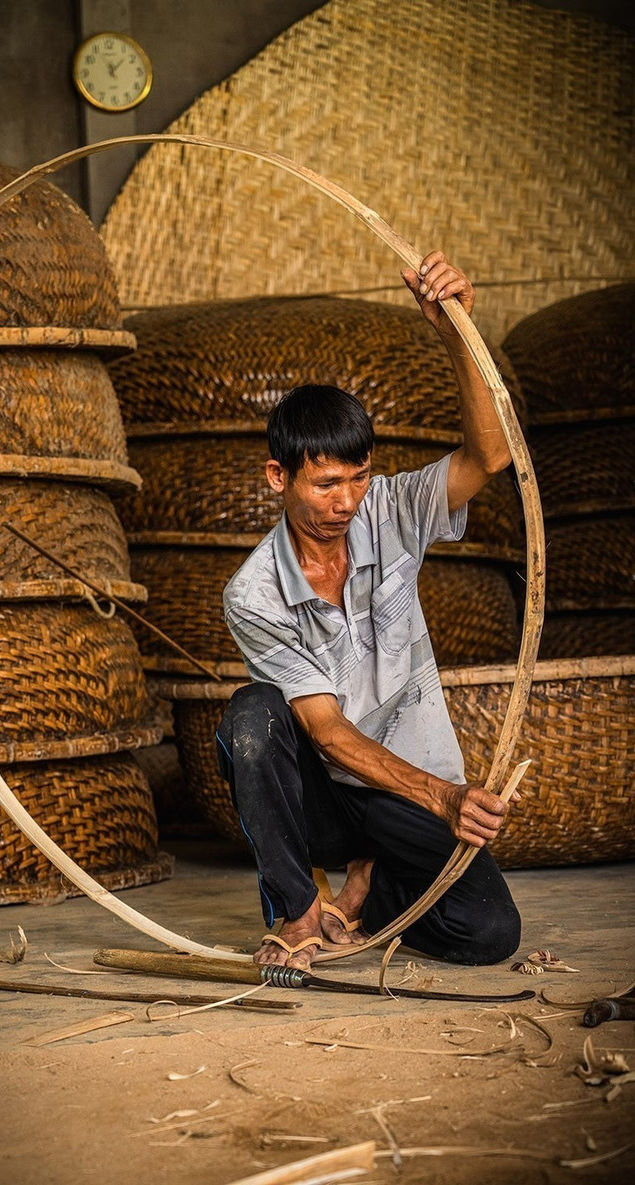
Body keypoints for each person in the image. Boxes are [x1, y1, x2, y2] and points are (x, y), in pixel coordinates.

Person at [216, 251, 522, 972]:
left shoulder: (389, 510)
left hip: (409, 791)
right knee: (252, 717)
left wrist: (456, 330)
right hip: (333, 796)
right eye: (324, 484)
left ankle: (365, 888)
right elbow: (322, 731)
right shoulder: (254, 593)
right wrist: (443, 796)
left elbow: (491, 456)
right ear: (278, 477)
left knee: (488, 931)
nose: (345, 502)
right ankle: (297, 912)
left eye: (357, 478)